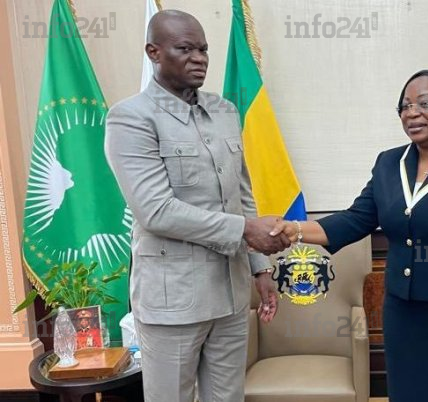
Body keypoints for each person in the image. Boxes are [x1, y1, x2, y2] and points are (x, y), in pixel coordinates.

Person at [270, 70, 428, 402]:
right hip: (405, 315)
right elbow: (357, 218)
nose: (412, 113)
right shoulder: (389, 163)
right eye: (405, 106)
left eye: (424, 103)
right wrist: (296, 229)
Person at [104, 10, 289, 402]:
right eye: (185, 49)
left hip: (231, 293)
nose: (199, 58)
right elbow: (156, 210)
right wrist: (245, 231)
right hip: (173, 302)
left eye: (203, 49)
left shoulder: (225, 111)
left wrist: (260, 268)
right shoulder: (130, 118)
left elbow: (242, 194)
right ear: (154, 52)